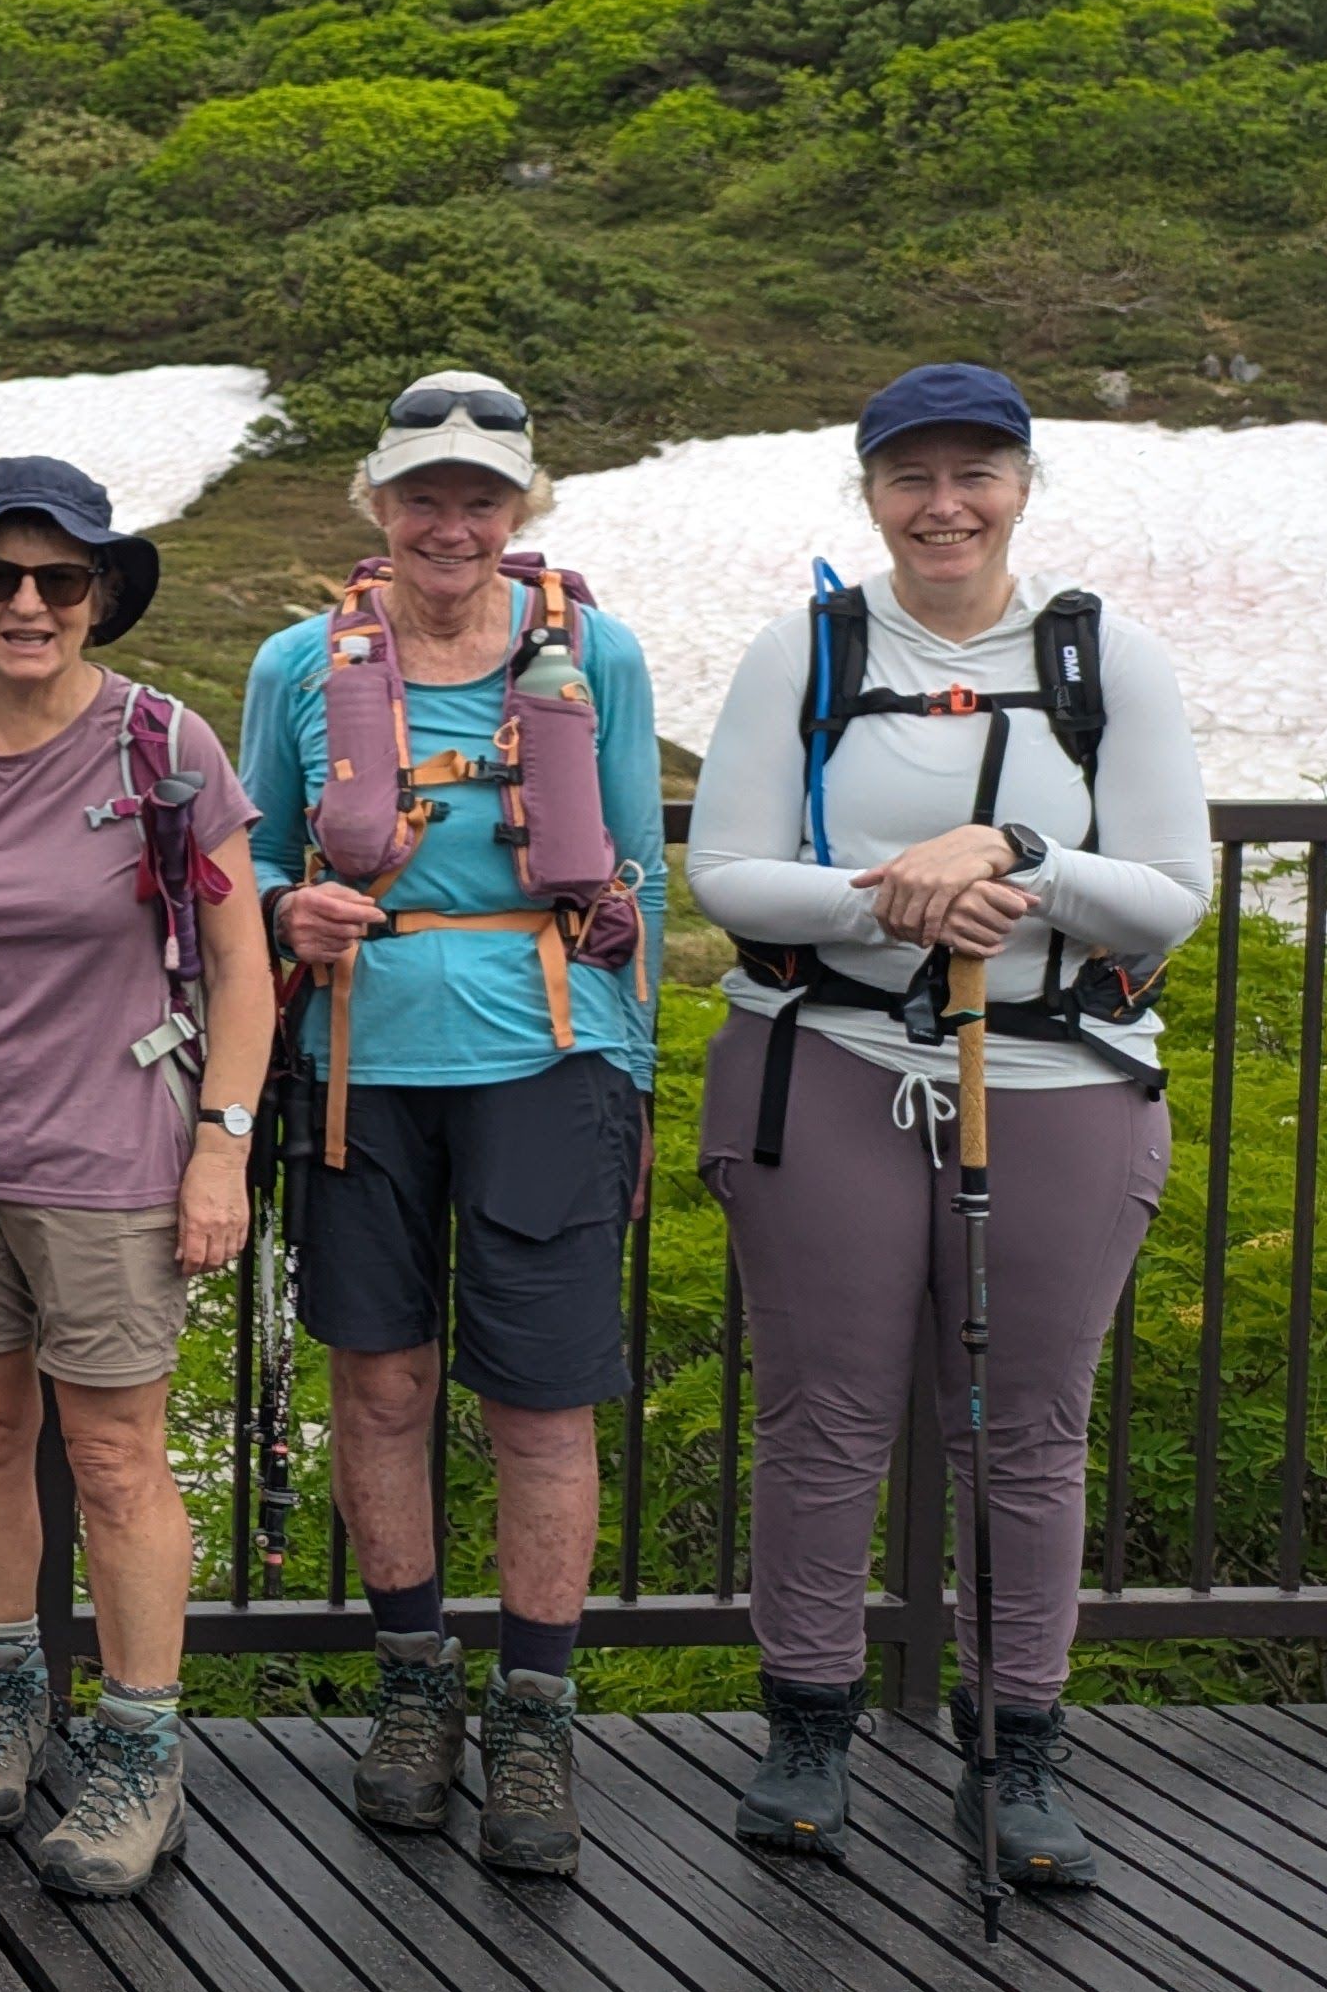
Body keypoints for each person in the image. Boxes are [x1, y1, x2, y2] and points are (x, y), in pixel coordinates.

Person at [686, 364, 1204, 1888]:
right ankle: (808, 1728)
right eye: (912, 477)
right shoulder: (810, 649)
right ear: (871, 494)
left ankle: (1023, 1743)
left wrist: (1022, 859)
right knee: (825, 1416)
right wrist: (902, 889)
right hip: (832, 1063)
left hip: (1059, 1077)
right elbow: (728, 868)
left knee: (1030, 1428)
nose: (945, 504)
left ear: (1023, 486)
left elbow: (1173, 889)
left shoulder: (1110, 659)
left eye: (976, 473)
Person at [242, 370, 662, 1879]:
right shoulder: (301, 662)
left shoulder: (593, 655)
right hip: (359, 1062)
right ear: (380, 503)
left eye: (480, 498)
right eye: (425, 493)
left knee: (542, 1401)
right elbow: (251, 869)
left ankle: (535, 1706)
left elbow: (638, 880)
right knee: (383, 1387)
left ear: (518, 513)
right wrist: (293, 911)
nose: (451, 521)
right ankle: (415, 1685)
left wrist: (632, 1069)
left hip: (551, 1062)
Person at [0, 458, 269, 1897]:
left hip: (111, 1157)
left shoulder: (167, 746)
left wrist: (225, 1141)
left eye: (60, 580)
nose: (28, 604)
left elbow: (243, 966)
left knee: (118, 1455)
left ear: (99, 598)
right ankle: (7, 1695)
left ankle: (143, 1746)